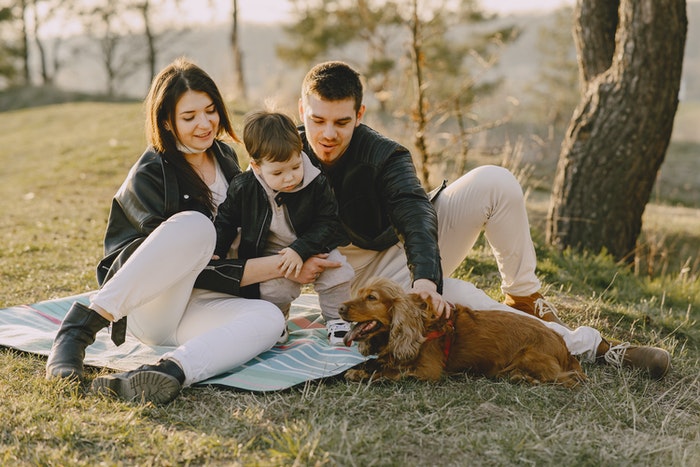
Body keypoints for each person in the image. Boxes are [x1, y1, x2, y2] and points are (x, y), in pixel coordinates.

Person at [293, 60, 671, 379]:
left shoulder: (385, 155)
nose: (328, 134)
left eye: (341, 122)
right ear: (301, 111)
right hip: (350, 281)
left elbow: (415, 211)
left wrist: (427, 279)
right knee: (465, 300)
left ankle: (525, 296)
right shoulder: (284, 155)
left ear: (359, 115)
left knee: (495, 180)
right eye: (317, 120)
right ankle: (595, 346)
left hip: (404, 253)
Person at [45, 58, 291, 404]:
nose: (205, 124)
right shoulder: (150, 173)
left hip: (196, 307)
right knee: (196, 226)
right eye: (190, 117)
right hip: (150, 305)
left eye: (210, 111)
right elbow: (171, 263)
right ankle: (78, 330)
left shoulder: (224, 157)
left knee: (268, 320)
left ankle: (169, 371)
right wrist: (279, 266)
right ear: (167, 122)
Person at [213, 110, 354, 345]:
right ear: (256, 167)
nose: (290, 178)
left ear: (300, 153)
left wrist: (301, 249)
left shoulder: (316, 181)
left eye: (295, 167)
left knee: (337, 272)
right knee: (273, 289)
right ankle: (275, 318)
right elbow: (226, 220)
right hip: (271, 252)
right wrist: (217, 247)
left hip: (313, 243)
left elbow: (328, 221)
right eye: (278, 172)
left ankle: (336, 319)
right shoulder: (244, 187)